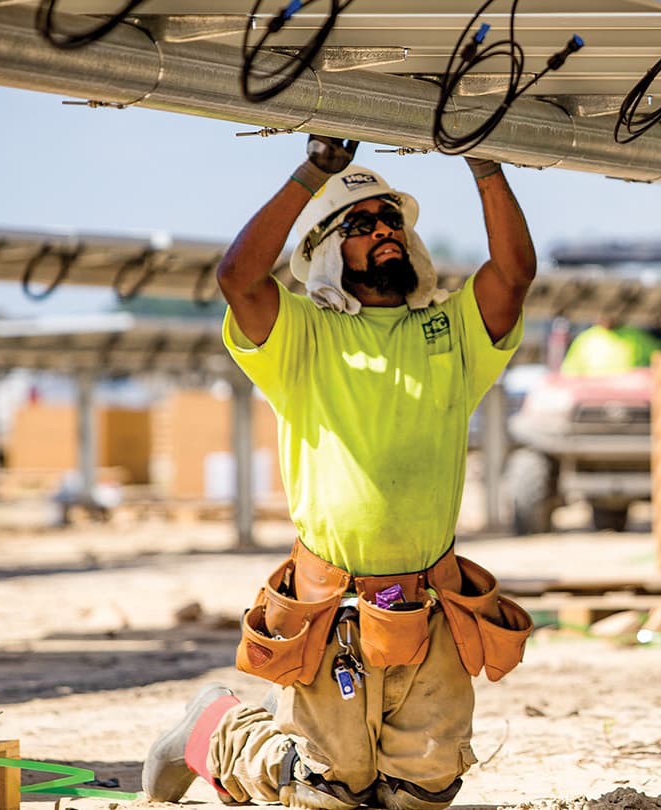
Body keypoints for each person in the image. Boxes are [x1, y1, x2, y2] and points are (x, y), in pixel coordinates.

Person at [141, 135, 537, 810]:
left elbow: (514, 273)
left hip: (430, 603)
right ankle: (216, 730)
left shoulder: (451, 334)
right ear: (328, 248)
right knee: (324, 792)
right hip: (336, 607)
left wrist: (488, 162)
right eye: (362, 224)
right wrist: (314, 171)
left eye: (393, 222)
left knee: (420, 792)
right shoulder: (304, 335)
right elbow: (238, 278)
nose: (385, 230)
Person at [559, 317, 661, 376]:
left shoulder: (637, 336)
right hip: (593, 401)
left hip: (632, 400)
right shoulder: (585, 339)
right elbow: (569, 373)